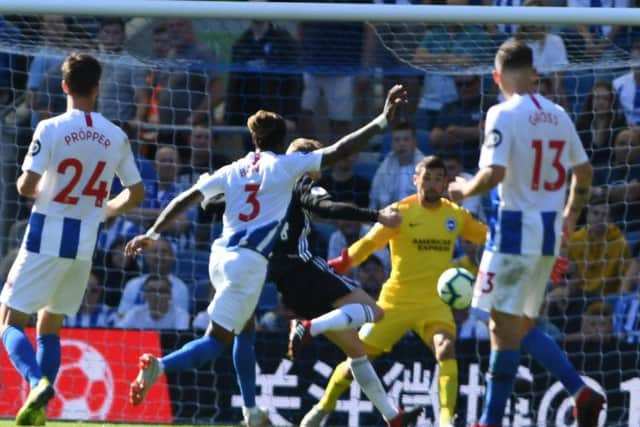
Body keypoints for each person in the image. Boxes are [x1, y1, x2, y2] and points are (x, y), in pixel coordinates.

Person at [123, 85, 408, 412]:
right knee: (216, 341)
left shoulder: (232, 170)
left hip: (220, 258)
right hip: (250, 263)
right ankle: (160, 366)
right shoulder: (285, 168)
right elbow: (340, 150)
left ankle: (250, 411)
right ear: (283, 144)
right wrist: (382, 121)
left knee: (245, 330)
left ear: (254, 139)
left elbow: (188, 199)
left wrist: (154, 232)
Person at [447, 40, 602, 427]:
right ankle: (580, 392)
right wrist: (570, 214)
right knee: (517, 324)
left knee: (498, 323)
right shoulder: (559, 114)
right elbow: (583, 173)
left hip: (513, 231)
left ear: (497, 77)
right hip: (547, 236)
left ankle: (489, 419)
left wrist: (462, 189)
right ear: (534, 74)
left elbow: (494, 174)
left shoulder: (502, 113)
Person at [0, 53, 144, 425]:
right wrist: (106, 210)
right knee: (50, 324)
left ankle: (36, 383)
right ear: (98, 88)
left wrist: (25, 184)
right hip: (84, 244)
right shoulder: (116, 135)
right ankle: (40, 413)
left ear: (64, 86)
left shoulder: (50, 128)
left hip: (45, 236)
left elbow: (28, 186)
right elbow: (137, 193)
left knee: (10, 321)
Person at [302, 155, 488, 427]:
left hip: (434, 304)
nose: (433, 184)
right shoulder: (399, 212)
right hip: (395, 301)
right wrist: (343, 262)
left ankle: (447, 420)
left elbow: (486, 236)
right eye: (427, 178)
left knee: (446, 348)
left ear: (446, 183)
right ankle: (322, 408)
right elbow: (368, 243)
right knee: (358, 357)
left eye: (439, 179)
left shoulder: (455, 215)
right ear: (416, 180)